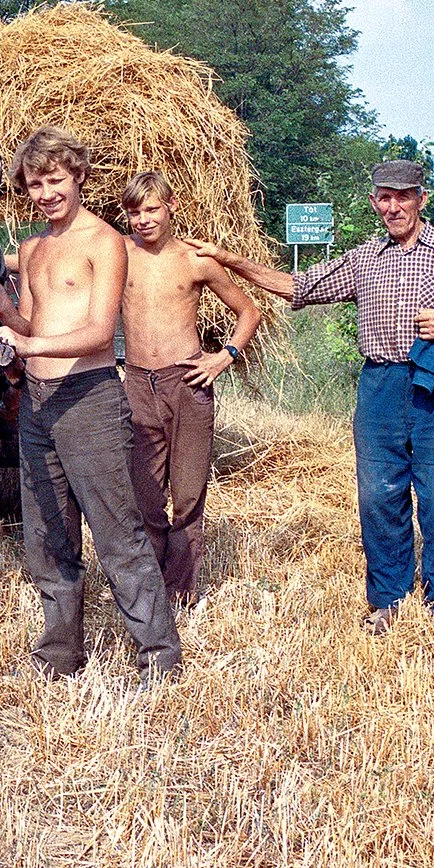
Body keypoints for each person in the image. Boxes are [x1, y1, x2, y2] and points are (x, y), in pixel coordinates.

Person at [191, 158, 434, 636]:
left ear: (422, 197)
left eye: (404, 196)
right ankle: (389, 599)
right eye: (385, 198)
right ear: (374, 202)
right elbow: (298, 285)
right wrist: (229, 260)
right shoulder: (364, 259)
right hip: (379, 389)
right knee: (379, 497)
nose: (394, 207)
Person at [0, 130, 183, 685]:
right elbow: (28, 323)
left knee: (118, 536)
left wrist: (31, 345)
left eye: (55, 180)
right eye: (34, 184)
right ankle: (59, 657)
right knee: (47, 538)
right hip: (37, 405)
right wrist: (3, 324)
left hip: (89, 400)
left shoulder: (104, 241)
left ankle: (158, 657)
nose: (45, 193)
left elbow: (96, 334)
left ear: (79, 177)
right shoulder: (34, 249)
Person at [118, 171, 261, 610]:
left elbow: (248, 311)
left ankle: (180, 592)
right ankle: (151, 586)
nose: (143, 220)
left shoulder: (196, 261)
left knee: (188, 494)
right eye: (135, 212)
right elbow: (48, 255)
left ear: (171, 205)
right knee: (143, 495)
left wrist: (225, 357)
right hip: (138, 382)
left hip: (187, 383)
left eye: (152, 209)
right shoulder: (119, 254)